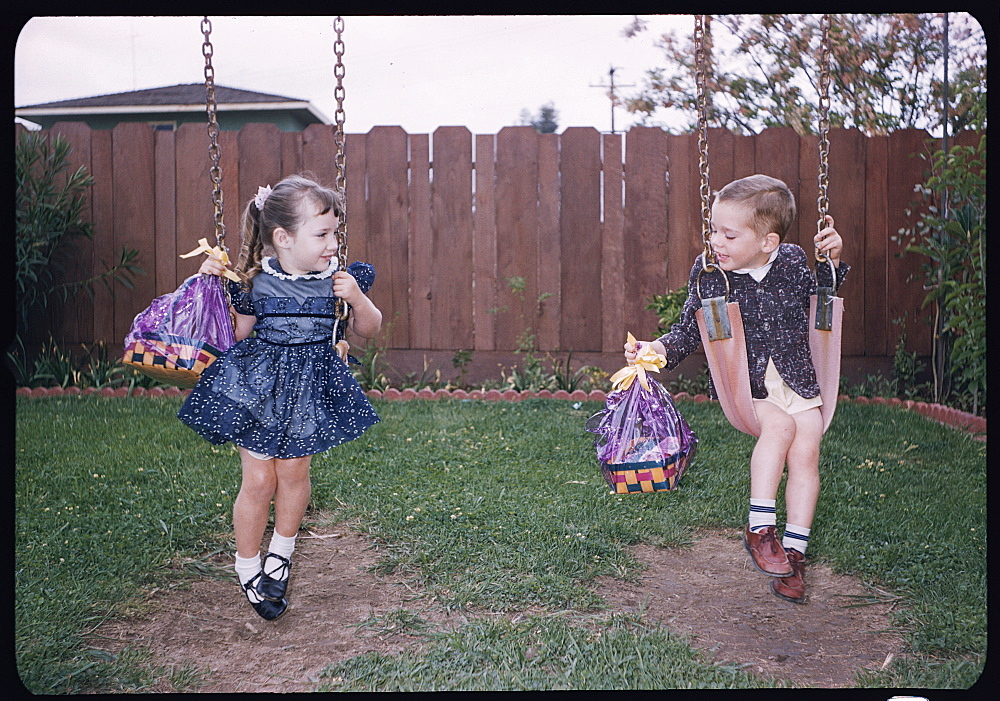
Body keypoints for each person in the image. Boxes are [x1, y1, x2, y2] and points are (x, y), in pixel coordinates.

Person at [625, 174, 847, 604]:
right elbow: (691, 327)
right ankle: (760, 528)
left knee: (806, 452)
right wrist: (655, 350)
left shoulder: (793, 262)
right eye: (713, 230)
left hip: (798, 380)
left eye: (728, 234)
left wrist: (833, 261)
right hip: (749, 389)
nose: (716, 242)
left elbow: (822, 298)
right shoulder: (711, 275)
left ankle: (794, 554)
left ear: (768, 241)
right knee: (779, 429)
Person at [178, 173, 382, 620]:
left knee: (292, 473)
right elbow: (234, 335)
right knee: (258, 482)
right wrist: (210, 285)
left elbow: (368, 330)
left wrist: (359, 301)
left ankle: (281, 553)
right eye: (322, 234)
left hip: (309, 391)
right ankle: (247, 564)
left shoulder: (339, 281)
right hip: (259, 390)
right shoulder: (255, 284)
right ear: (284, 238)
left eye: (335, 233)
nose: (332, 244)